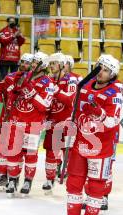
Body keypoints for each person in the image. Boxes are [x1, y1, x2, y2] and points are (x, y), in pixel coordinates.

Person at [56, 54, 122, 215]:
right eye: (99, 67)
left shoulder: (114, 92)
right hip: (80, 144)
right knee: (74, 184)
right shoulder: (84, 86)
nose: (101, 72)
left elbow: (112, 121)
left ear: (113, 74)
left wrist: (98, 112)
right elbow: (75, 109)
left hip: (101, 148)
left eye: (106, 70)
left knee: (95, 186)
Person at [0, 52, 54, 197]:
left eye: (36, 62)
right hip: (17, 121)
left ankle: (28, 180)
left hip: (33, 124)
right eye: (32, 61)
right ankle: (13, 179)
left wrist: (30, 92)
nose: (33, 64)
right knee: (13, 152)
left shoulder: (48, 83)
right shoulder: (23, 77)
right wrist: (8, 90)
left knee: (30, 154)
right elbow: (11, 95)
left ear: (43, 65)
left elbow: (45, 106)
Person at [0, 53, 34, 190]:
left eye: (27, 63)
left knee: (21, 150)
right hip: (8, 116)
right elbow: (1, 95)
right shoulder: (10, 77)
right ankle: (4, 176)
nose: (24, 64)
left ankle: (16, 177)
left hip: (24, 119)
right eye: (22, 61)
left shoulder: (32, 80)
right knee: (4, 147)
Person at [42, 53, 81, 194]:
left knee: (68, 152)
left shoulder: (71, 79)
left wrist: (56, 90)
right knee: (50, 151)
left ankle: (70, 180)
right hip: (52, 121)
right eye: (50, 63)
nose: (51, 66)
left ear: (61, 64)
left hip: (67, 121)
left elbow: (70, 99)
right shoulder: (48, 80)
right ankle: (49, 178)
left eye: (54, 63)